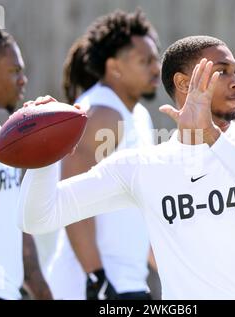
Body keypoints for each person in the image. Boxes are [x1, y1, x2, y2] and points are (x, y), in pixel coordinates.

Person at [18, 35, 235, 299]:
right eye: (221, 71)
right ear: (183, 84)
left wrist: (211, 136)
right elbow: (37, 218)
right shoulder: (143, 167)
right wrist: (43, 150)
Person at [44, 9, 161, 300]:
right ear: (114, 67)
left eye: (155, 59)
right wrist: (97, 278)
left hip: (127, 284)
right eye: (144, 61)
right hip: (93, 286)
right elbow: (71, 199)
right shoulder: (102, 114)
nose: (156, 68)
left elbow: (139, 206)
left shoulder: (138, 116)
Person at [0, 22, 52, 300]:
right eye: (14, 71)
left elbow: (15, 220)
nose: (23, 80)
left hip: (11, 294)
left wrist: (42, 290)